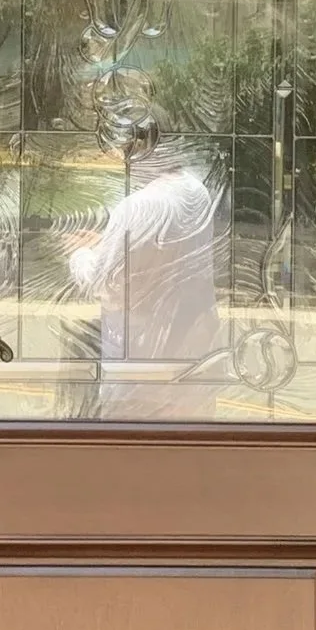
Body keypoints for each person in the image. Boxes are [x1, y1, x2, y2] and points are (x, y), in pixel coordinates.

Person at [65, 120, 220, 414]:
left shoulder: (137, 207)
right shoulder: (196, 192)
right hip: (192, 354)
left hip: (138, 363)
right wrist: (106, 243)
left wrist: (79, 253)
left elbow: (106, 284)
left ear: (138, 150)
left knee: (131, 448)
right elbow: (163, 252)